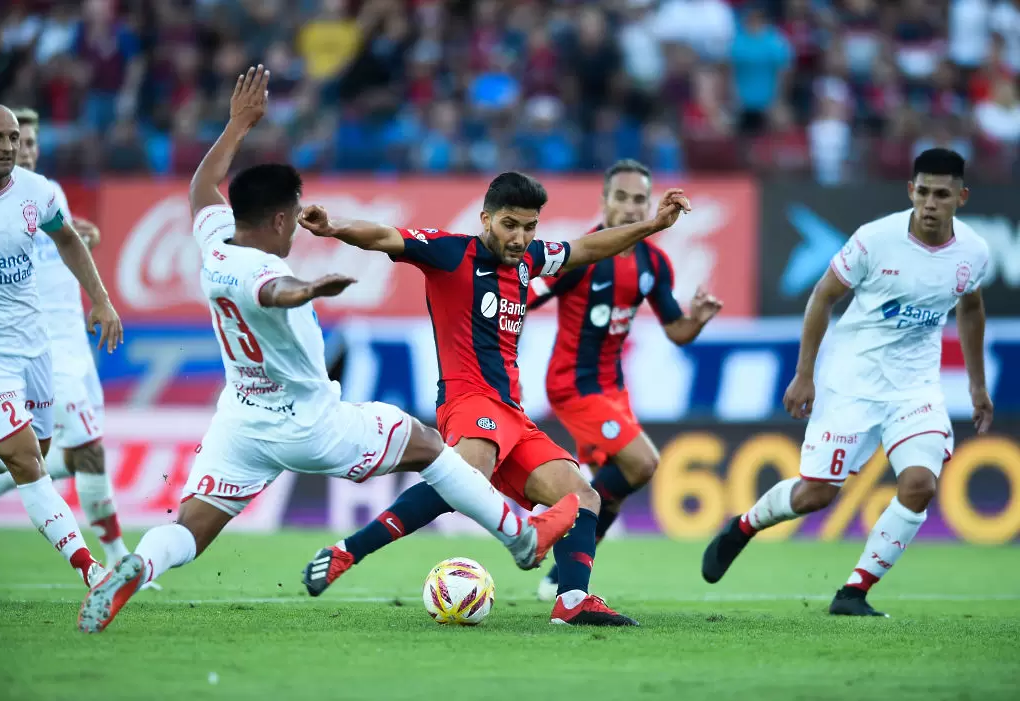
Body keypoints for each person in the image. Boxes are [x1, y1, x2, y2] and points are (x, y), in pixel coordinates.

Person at [77, 66, 579, 634]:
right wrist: (310, 288)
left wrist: (238, 125)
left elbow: (201, 188)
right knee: (428, 444)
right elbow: (274, 291)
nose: (295, 229)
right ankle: (520, 537)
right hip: (309, 424)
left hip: (240, 423)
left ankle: (139, 564)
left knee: (192, 526)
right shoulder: (262, 270)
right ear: (280, 219)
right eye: (292, 217)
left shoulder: (214, 244)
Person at [297, 164, 692, 627]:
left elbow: (586, 248)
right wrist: (334, 226)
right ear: (485, 219)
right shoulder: (450, 253)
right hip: (469, 400)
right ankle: (349, 550)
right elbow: (385, 236)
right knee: (467, 476)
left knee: (582, 497)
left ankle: (571, 601)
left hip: (512, 413)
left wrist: (653, 225)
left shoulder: (529, 260)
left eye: (529, 227)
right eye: (509, 225)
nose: (520, 238)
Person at [701, 148, 993, 617]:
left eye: (942, 194)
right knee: (815, 495)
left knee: (919, 485)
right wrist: (804, 375)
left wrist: (977, 386)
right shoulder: (874, 240)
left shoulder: (974, 252)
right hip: (851, 382)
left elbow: (971, 308)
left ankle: (853, 592)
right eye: (923, 192)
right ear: (910, 191)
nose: (930, 203)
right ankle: (744, 526)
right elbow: (823, 296)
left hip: (915, 389)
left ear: (962, 197)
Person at [527, 160, 723, 602]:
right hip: (573, 384)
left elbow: (677, 331)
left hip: (612, 388)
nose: (630, 208)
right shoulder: (579, 255)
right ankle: (551, 528)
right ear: (604, 201)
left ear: (648, 204)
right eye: (622, 197)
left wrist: (698, 319)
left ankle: (560, 577)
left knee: (613, 492)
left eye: (639, 199)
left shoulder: (654, 262)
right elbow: (521, 298)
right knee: (642, 464)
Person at [0, 108, 143, 578]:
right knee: (56, 456)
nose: (15, 149)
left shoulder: (42, 193)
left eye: (21, 140)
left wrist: (101, 299)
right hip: (14, 354)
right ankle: (104, 562)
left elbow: (64, 240)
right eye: (6, 139)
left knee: (33, 455)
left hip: (49, 347)